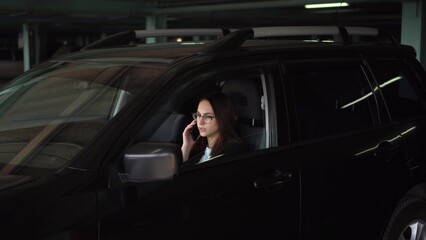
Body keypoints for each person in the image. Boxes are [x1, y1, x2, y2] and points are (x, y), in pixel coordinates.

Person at [181, 92, 247, 164]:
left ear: (222, 118)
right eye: (198, 115)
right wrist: (186, 147)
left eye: (208, 117)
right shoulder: (199, 150)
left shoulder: (233, 150)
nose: (200, 122)